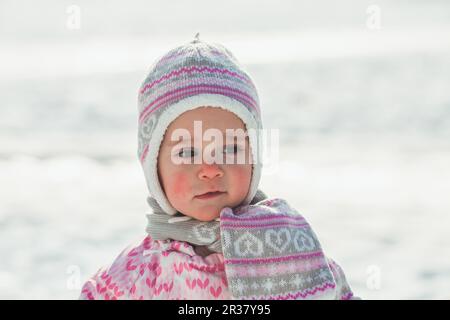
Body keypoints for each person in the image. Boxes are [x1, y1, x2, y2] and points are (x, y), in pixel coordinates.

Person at [79, 35, 357, 300]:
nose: (210, 169)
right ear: (153, 167)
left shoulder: (290, 246)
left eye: (231, 149)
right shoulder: (134, 277)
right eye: (186, 152)